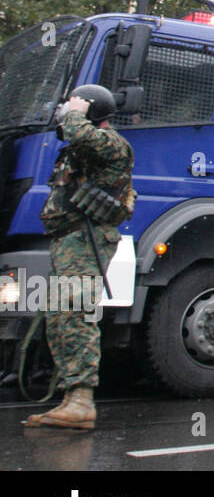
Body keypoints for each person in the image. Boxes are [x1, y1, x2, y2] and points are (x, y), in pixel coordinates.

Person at [23, 85, 134, 430]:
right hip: (69, 239)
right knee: (60, 317)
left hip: (87, 239)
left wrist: (75, 112)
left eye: (74, 108)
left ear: (90, 112)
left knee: (75, 312)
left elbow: (80, 133)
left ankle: (83, 400)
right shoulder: (78, 149)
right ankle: (72, 398)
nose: (65, 114)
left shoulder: (113, 143)